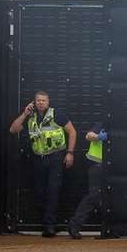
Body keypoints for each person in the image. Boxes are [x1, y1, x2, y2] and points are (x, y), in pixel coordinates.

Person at [9, 91, 77, 237]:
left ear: (48, 102)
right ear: (34, 102)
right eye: (38, 100)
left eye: (43, 100)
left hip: (56, 158)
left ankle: (49, 226)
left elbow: (72, 132)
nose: (41, 103)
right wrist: (24, 114)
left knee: (53, 191)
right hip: (38, 159)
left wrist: (70, 153)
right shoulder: (30, 117)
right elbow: (13, 129)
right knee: (39, 193)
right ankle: (47, 222)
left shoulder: (57, 115)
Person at [68, 122, 108, 239]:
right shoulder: (102, 123)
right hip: (96, 165)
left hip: (111, 168)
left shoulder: (121, 125)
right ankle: (74, 225)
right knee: (94, 196)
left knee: (111, 197)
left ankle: (112, 228)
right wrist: (100, 137)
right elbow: (88, 136)